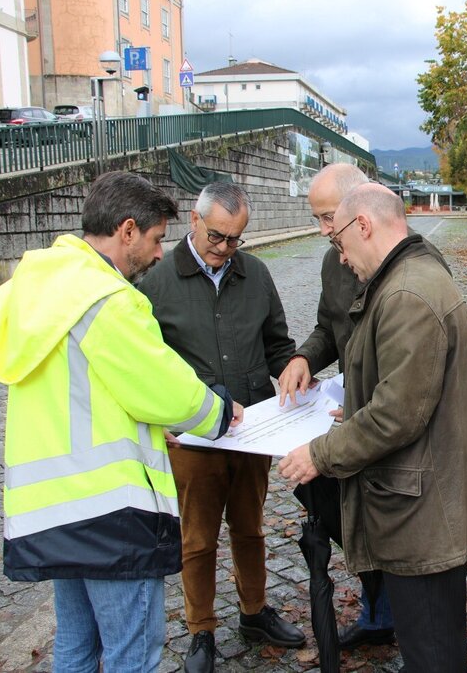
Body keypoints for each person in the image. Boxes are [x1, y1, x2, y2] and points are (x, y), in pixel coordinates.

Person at [0, 171, 242, 673]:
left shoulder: (39, 287)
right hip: (109, 516)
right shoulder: (106, 297)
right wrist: (217, 412)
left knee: (76, 648)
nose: (159, 253)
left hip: (51, 510)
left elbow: (84, 389)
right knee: (132, 655)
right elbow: (159, 384)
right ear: (127, 231)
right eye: (155, 239)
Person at [278, 184, 467, 672]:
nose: (341, 258)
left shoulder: (406, 293)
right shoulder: (406, 278)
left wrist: (318, 454)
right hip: (421, 501)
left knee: (432, 652)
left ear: (363, 226)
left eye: (340, 242)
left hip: (423, 512)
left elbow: (397, 413)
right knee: (429, 643)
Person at [138, 182, 305, 671]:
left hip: (253, 431)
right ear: (194, 220)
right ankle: (201, 631)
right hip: (192, 438)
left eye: (235, 239)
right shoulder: (156, 282)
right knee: (197, 538)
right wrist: (156, 418)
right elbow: (143, 365)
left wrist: (296, 369)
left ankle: (254, 612)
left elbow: (277, 344)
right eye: (217, 236)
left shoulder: (256, 274)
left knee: (250, 528)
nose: (225, 248)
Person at [277, 163, 397, 650]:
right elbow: (329, 327)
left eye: (329, 218)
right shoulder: (333, 262)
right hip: (345, 412)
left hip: (383, 419)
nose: (324, 230)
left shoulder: (401, 264)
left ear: (357, 210)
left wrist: (370, 403)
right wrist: (305, 357)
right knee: (336, 505)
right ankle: (378, 610)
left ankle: (396, 614)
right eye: (318, 219)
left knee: (389, 520)